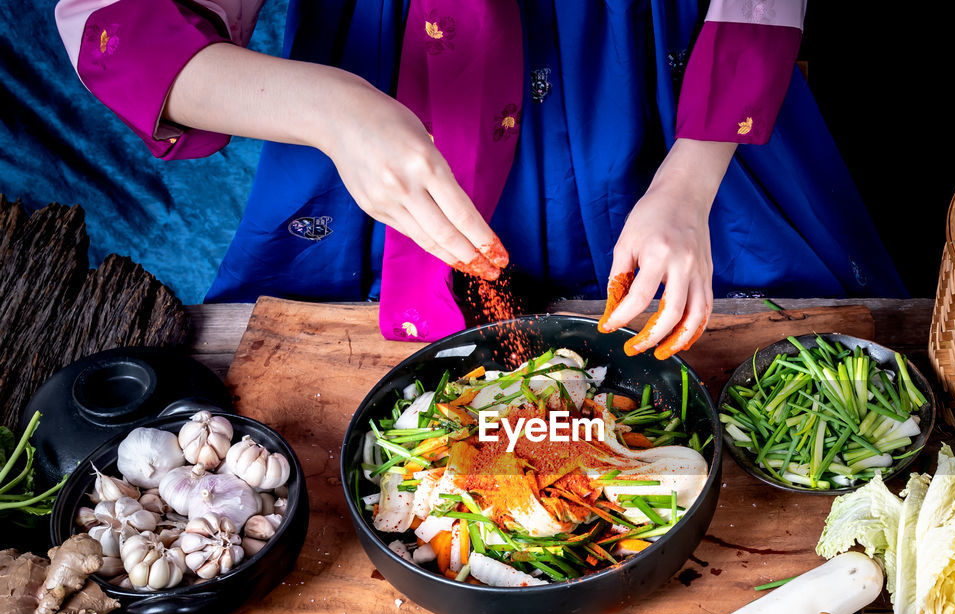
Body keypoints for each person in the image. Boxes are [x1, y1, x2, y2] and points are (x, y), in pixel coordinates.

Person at [55, 0, 905, 351]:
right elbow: (116, 30)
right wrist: (338, 114)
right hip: (386, 94)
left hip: (672, 100)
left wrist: (686, 187)